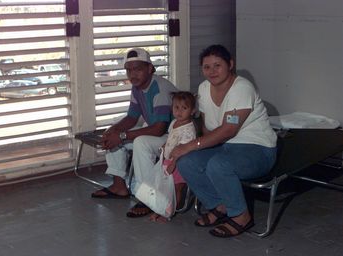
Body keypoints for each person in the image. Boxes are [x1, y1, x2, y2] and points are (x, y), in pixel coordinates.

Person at [169, 44, 277, 237]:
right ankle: (220, 205)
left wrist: (190, 145)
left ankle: (241, 216)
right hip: (226, 147)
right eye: (206, 67)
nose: (212, 71)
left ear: (230, 64)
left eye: (217, 65)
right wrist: (191, 148)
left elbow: (228, 129)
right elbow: (205, 125)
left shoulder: (242, 88)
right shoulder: (203, 88)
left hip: (258, 150)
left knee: (218, 165)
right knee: (187, 162)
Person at [91, 48, 178, 215]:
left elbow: (160, 128)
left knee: (140, 142)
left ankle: (149, 198)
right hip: (159, 133)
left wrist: (122, 135)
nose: (133, 74)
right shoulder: (137, 88)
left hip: (174, 136)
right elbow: (132, 117)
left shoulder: (160, 88)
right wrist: (113, 130)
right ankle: (119, 186)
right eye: (129, 70)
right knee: (114, 134)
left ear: (150, 68)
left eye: (138, 69)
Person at [140, 91, 196, 222]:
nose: (179, 111)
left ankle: (168, 213)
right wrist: (165, 146)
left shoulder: (188, 129)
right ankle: (160, 210)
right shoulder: (174, 123)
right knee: (163, 188)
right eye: (176, 107)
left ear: (192, 111)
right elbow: (171, 138)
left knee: (175, 189)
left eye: (184, 108)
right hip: (167, 160)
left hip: (178, 163)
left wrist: (173, 163)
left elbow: (182, 149)